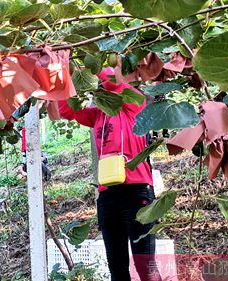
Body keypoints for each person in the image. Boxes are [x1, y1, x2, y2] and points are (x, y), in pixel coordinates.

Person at [58, 68, 161, 281]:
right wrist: (63, 71)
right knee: (117, 269)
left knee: (146, 268)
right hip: (108, 196)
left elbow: (112, 81)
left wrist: (86, 68)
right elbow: (67, 111)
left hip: (137, 192)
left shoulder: (134, 104)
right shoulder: (97, 115)